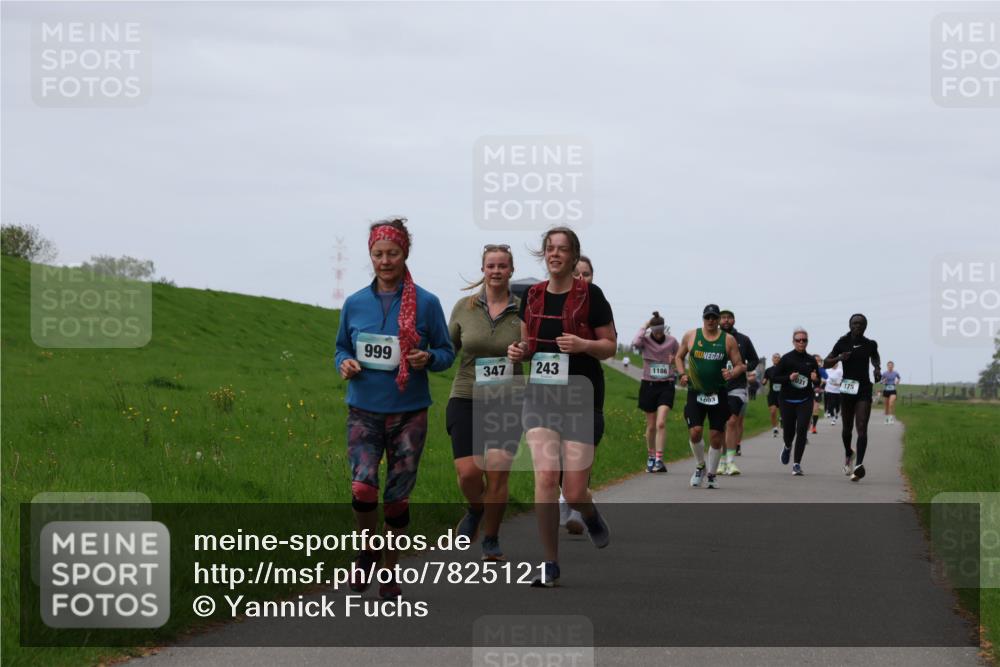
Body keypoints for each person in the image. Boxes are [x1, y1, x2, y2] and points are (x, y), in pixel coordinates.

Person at [335, 217, 455, 598]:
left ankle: (389, 569)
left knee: (396, 498)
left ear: (405, 254)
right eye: (378, 254)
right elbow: (341, 346)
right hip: (363, 408)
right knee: (362, 486)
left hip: (409, 410)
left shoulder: (429, 303)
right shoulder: (354, 303)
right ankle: (368, 548)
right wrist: (345, 362)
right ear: (370, 255)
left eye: (392, 253)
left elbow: (447, 352)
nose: (385, 261)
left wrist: (427, 358)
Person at [507, 227, 616, 587]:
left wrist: (584, 344)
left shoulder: (591, 295)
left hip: (581, 397)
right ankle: (549, 564)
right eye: (549, 248)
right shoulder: (533, 296)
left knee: (572, 490)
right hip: (541, 395)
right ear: (544, 254)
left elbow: (610, 346)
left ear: (573, 255)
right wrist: (520, 351)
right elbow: (528, 342)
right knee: (545, 477)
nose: (555, 254)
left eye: (562, 249)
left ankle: (588, 512)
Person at [447, 244, 523, 561]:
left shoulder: (524, 309)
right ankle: (476, 509)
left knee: (498, 471)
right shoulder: (464, 307)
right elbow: (447, 349)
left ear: (511, 271)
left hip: (508, 399)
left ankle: (491, 538)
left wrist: (525, 352)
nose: (496, 271)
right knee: (468, 473)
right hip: (466, 395)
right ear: (483, 270)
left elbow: (536, 346)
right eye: (490, 266)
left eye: (502, 266)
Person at [674, 304, 746, 489]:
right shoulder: (691, 336)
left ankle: (712, 475)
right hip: (695, 392)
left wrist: (732, 373)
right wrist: (682, 374)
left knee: (715, 435)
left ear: (719, 320)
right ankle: (700, 466)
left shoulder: (728, 340)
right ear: (703, 318)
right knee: (695, 431)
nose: (711, 321)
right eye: (708, 317)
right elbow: (678, 357)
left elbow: (740, 365)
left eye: (714, 317)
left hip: (718, 393)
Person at [825, 314, 881, 482]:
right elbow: (825, 363)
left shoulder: (870, 344)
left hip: (864, 388)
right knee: (846, 429)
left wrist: (877, 368)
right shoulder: (842, 342)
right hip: (847, 389)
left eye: (861, 324)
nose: (858, 326)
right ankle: (849, 453)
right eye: (855, 323)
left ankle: (859, 466)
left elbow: (875, 357)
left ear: (865, 327)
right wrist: (839, 358)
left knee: (862, 426)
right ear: (850, 325)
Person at [633, 311, 679, 473]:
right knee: (651, 425)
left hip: (666, 385)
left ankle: (659, 459)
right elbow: (635, 343)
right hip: (648, 385)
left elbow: (680, 356)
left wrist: (675, 361)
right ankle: (651, 457)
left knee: (661, 423)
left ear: (664, 328)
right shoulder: (645, 340)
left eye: (661, 329)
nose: (658, 333)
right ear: (651, 329)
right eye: (655, 330)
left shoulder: (672, 341)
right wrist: (644, 326)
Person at [772, 329, 822, 475]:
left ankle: (796, 464)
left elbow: (818, 380)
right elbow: (775, 377)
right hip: (787, 399)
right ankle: (787, 446)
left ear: (807, 341)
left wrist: (815, 379)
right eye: (798, 340)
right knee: (789, 432)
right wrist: (789, 377)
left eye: (804, 340)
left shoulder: (811, 360)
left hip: (805, 399)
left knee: (801, 429)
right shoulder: (786, 359)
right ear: (793, 341)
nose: (801, 342)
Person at [719, 309, 759, 472]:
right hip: (717, 386)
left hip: (737, 386)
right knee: (719, 425)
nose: (726, 320)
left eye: (729, 318)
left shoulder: (743, 339)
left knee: (732, 421)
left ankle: (730, 460)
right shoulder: (712, 338)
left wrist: (744, 367)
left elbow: (755, 360)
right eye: (723, 318)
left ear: (734, 320)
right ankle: (721, 460)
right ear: (719, 321)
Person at [762, 353, 782, 437]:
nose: (776, 359)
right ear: (772, 359)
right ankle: (775, 428)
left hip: (782, 393)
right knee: (773, 411)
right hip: (772, 394)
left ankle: (782, 420)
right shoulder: (768, 370)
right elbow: (765, 379)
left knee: (784, 412)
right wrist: (764, 381)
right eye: (775, 357)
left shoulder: (783, 369)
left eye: (778, 358)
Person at [810, 355, 828, 435]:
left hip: (816, 391)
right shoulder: (807, 368)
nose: (817, 362)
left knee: (815, 409)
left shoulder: (820, 369)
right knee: (808, 410)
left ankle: (814, 427)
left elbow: (826, 377)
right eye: (816, 360)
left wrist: (821, 368)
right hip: (806, 392)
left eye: (819, 360)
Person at [825, 360, 843, 425]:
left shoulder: (840, 371)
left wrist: (840, 383)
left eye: (836, 363)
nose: (834, 364)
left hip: (838, 391)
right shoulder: (827, 370)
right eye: (833, 363)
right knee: (831, 404)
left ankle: (836, 414)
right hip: (829, 390)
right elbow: (825, 378)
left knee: (837, 406)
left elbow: (843, 379)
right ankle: (833, 418)